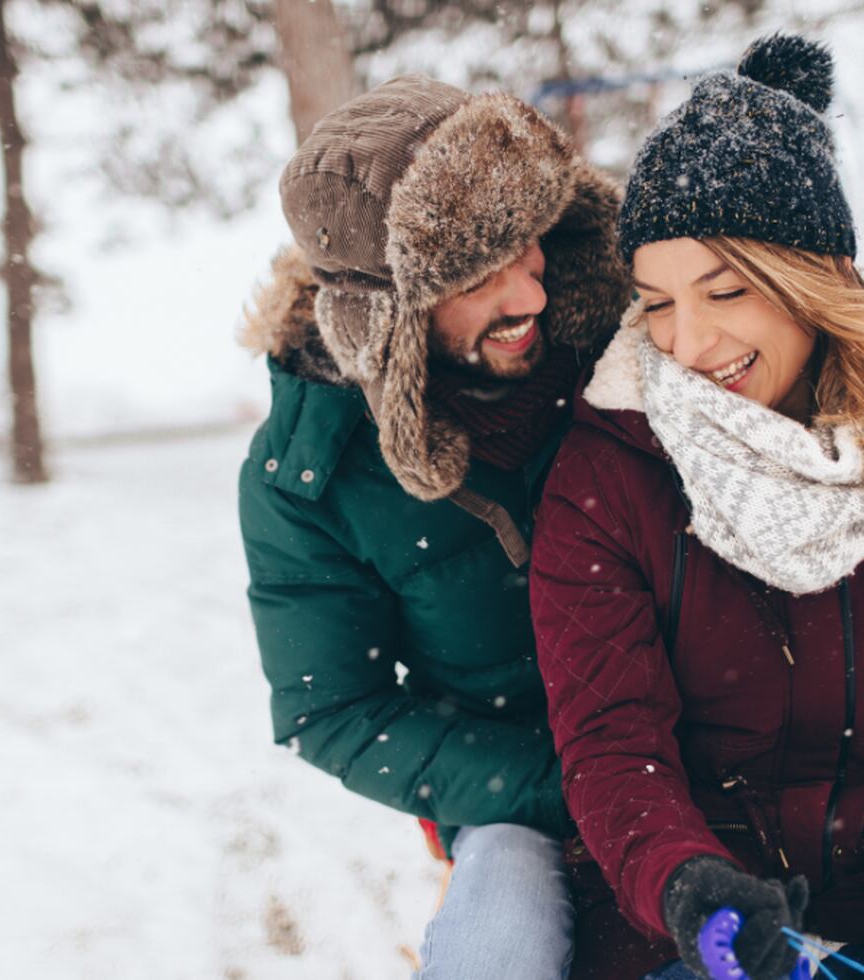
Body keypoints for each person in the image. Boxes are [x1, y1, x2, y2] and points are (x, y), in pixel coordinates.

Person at [238, 74, 629, 978]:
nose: (529, 290)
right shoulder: (311, 475)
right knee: (498, 946)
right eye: (476, 274)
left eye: (527, 243)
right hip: (519, 789)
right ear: (389, 313)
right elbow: (331, 709)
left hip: (711, 724)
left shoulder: (614, 340)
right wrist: (562, 786)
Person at [530, 34, 864, 980]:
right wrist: (689, 884)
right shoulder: (609, 475)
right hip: (694, 921)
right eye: (657, 302)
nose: (690, 340)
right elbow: (611, 742)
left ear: (815, 277)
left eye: (724, 289)